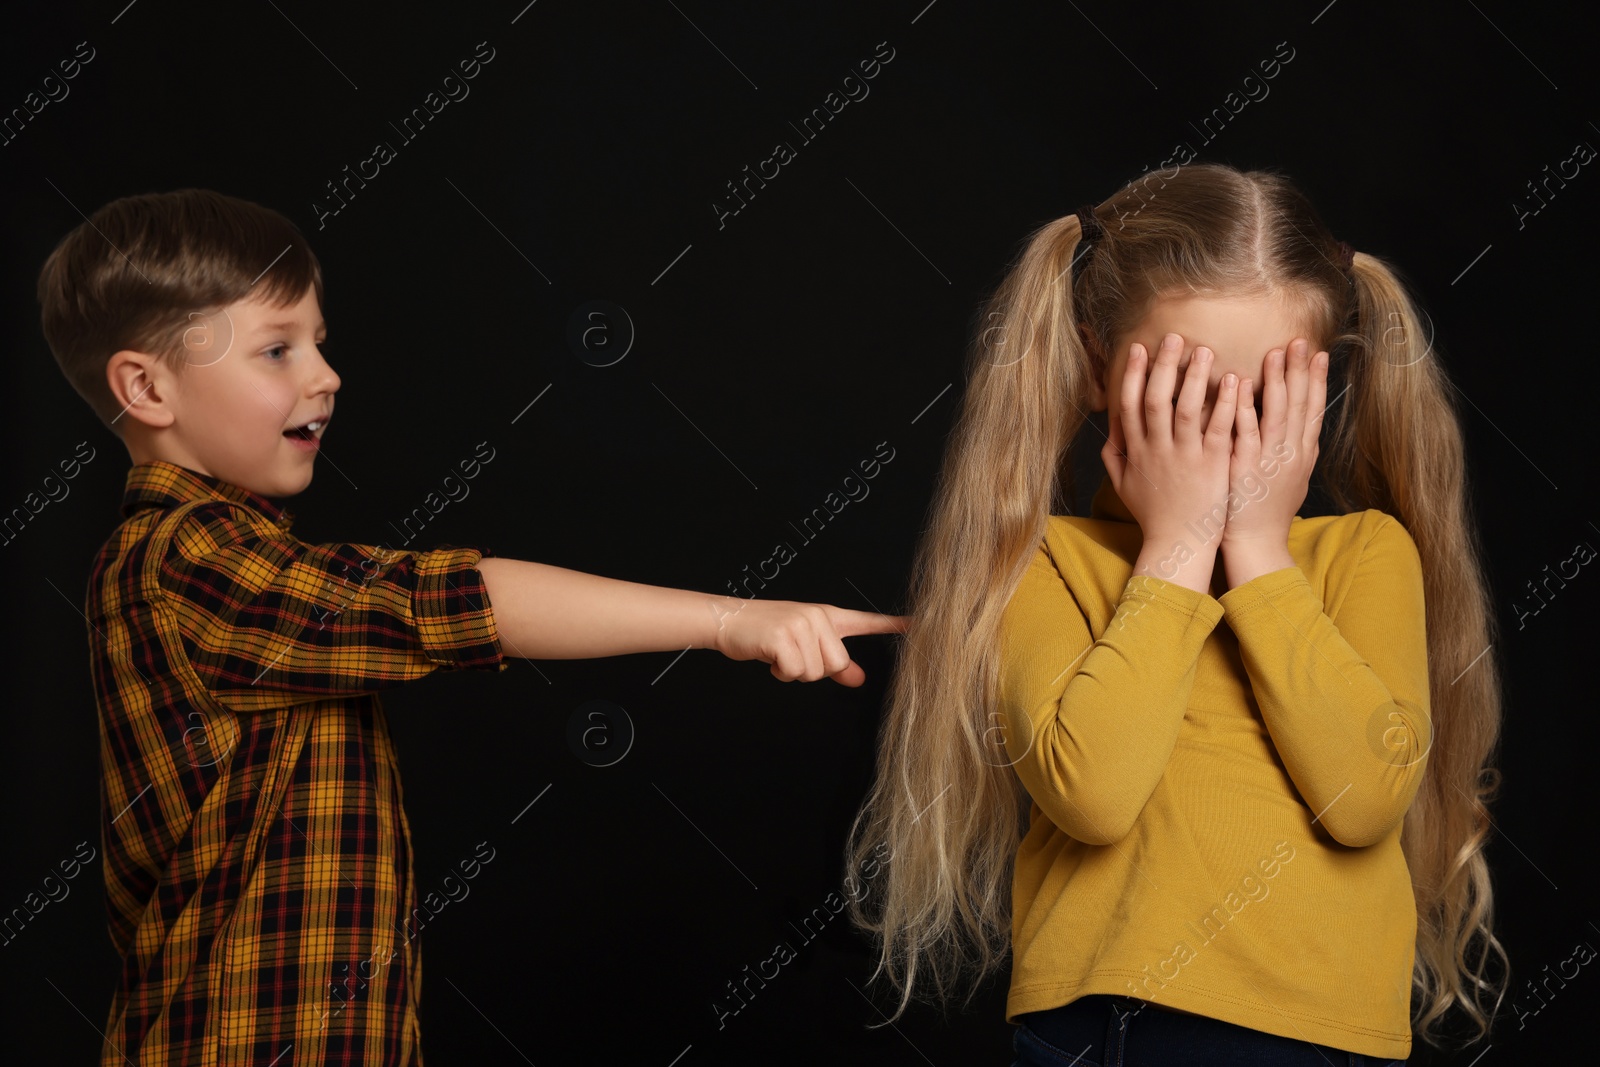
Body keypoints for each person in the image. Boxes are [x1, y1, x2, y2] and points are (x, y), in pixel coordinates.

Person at [36, 188, 907, 1065]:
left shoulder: (226, 560)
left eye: (318, 343)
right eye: (276, 349)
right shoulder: (183, 559)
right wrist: (733, 620)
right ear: (145, 386)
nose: (326, 375)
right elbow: (451, 603)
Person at [843, 162, 1508, 1065]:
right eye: (1189, 393)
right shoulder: (1043, 560)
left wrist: (1263, 556)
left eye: (1267, 399)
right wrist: (1178, 547)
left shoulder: (1365, 554)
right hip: (1111, 1028)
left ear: (1321, 393)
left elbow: (1367, 801)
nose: (1227, 434)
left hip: (1327, 1034)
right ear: (1093, 369)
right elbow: (1094, 793)